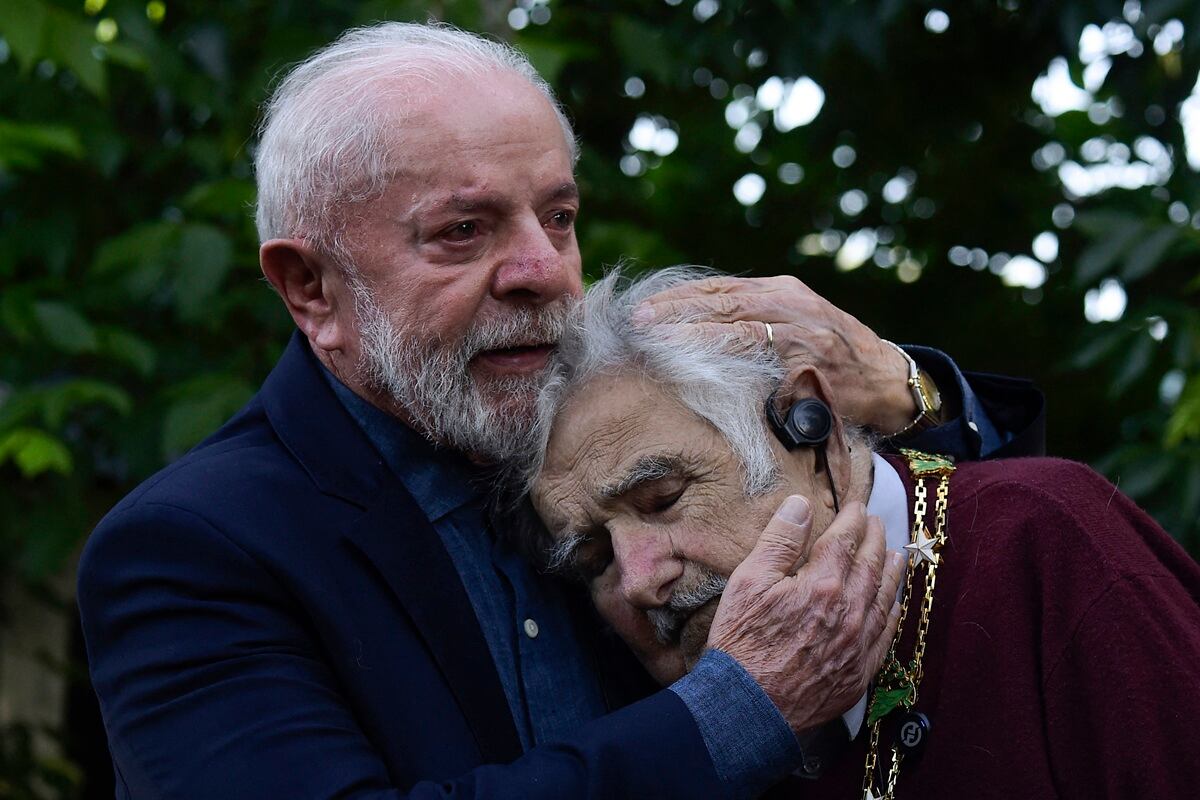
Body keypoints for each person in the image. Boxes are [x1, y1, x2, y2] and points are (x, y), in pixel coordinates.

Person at [77, 23, 1043, 799]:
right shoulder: (187, 550)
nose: (545, 271)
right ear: (311, 289)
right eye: (463, 231)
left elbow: (991, 580)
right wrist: (741, 711)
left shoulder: (619, 413)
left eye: (560, 215)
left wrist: (917, 394)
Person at [528, 267, 1200, 799]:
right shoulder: (645, 725)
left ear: (808, 430)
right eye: (594, 561)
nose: (641, 580)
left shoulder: (1044, 537)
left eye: (664, 498)